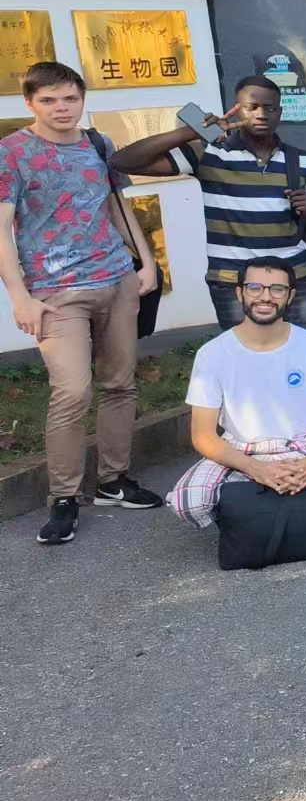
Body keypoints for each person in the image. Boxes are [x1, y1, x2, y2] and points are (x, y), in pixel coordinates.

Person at [2, 62, 161, 545]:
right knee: (71, 391)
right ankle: (64, 497)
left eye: (70, 98)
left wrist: (147, 263)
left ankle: (113, 480)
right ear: (30, 102)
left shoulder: (98, 143)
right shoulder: (12, 152)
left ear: (82, 98)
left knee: (120, 384)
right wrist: (20, 297)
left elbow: (117, 205)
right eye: (49, 100)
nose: (61, 108)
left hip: (116, 278)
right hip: (55, 292)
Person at [168, 258, 306, 530]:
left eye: (277, 289)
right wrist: (256, 469)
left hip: (304, 443)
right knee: (188, 503)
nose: (265, 297)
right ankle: (240, 518)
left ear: (290, 296)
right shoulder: (213, 354)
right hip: (240, 447)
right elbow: (203, 435)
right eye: (255, 287)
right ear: (240, 292)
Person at [110, 73, 306, 330]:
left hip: (292, 278)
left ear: (279, 112)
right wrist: (189, 132)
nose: (261, 114)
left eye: (269, 108)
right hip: (232, 280)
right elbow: (123, 161)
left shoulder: (303, 161)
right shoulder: (210, 153)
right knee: (243, 351)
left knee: (297, 348)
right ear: (237, 110)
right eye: (252, 107)